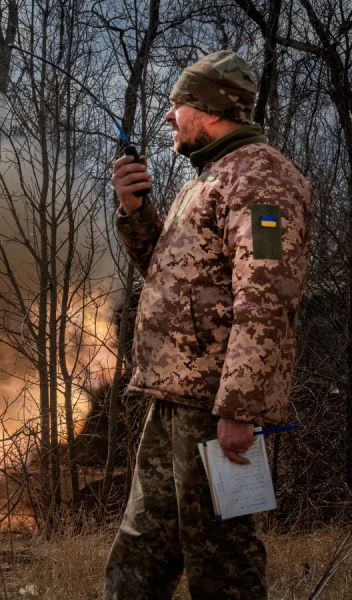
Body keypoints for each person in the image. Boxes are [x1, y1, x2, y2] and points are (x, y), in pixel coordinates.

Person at [103, 51, 311, 599]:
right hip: (173, 397)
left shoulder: (261, 179)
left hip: (214, 405)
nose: (169, 117)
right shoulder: (208, 179)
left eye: (178, 105)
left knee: (222, 562)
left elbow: (267, 297)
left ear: (211, 109)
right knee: (141, 549)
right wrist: (134, 210)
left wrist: (240, 408)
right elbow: (168, 278)